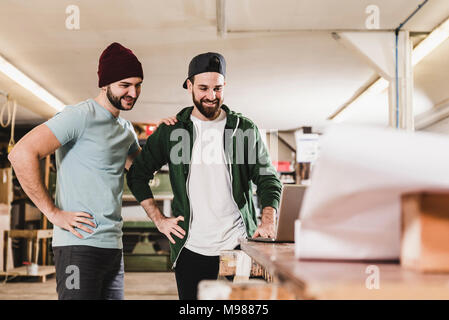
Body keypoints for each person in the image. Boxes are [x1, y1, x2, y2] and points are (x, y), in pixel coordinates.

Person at [8, 42, 171, 300]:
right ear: (104, 84)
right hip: (78, 245)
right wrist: (53, 213)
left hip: (113, 247)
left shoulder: (126, 130)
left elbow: (142, 172)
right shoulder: (79, 116)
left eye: (138, 84)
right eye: (124, 85)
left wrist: (163, 136)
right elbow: (20, 154)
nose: (133, 92)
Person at [126, 52, 282, 300]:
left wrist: (268, 219)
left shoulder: (243, 129)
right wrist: (158, 219)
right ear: (189, 85)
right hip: (191, 248)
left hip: (239, 243)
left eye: (218, 88)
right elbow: (137, 175)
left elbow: (268, 178)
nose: (211, 96)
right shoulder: (172, 131)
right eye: (203, 88)